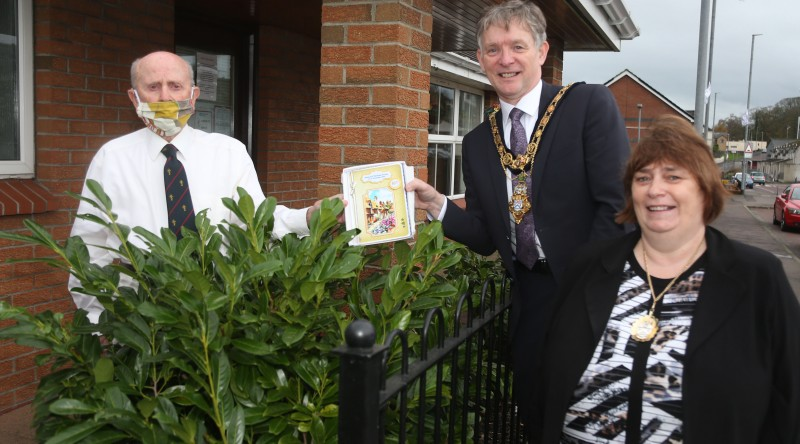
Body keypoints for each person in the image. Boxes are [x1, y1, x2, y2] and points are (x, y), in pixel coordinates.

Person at [405, 0, 630, 423]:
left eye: (517, 47)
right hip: (532, 299)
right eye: (493, 50)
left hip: (593, 295)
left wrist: (587, 292)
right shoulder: (476, 142)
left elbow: (617, 208)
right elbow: (486, 234)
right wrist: (437, 206)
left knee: (596, 417)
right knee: (537, 416)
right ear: (479, 59)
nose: (505, 59)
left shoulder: (586, 107)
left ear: (542, 52)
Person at [532, 115, 800, 443]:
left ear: (703, 188)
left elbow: (790, 400)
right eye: (643, 178)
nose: (655, 189)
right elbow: (547, 375)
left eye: (673, 176)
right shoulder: (590, 265)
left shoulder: (757, 277)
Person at [70, 51, 335, 323]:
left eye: (175, 86)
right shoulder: (111, 158)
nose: (165, 97)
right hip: (140, 312)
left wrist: (307, 218)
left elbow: (257, 221)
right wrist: (101, 323)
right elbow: (88, 246)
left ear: (193, 96)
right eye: (152, 87)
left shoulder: (229, 152)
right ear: (133, 97)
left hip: (221, 306)